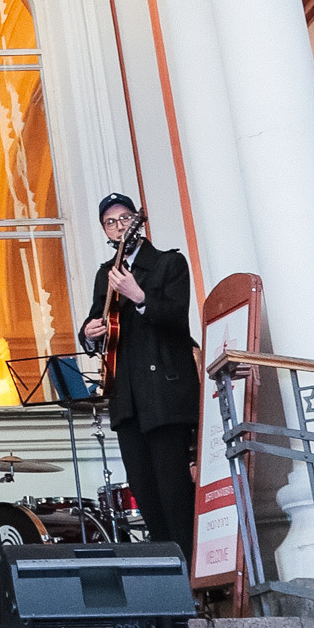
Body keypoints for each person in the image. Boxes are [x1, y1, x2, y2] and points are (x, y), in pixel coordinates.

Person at [79, 190, 198, 564]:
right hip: (127, 400)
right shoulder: (106, 274)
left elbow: (177, 318)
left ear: (137, 222)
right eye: (110, 222)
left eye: (124, 218)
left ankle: (191, 571)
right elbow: (97, 320)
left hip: (163, 396)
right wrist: (89, 333)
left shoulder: (168, 263)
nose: (119, 226)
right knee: (145, 493)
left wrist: (139, 296)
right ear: (105, 231)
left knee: (174, 491)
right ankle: (167, 569)